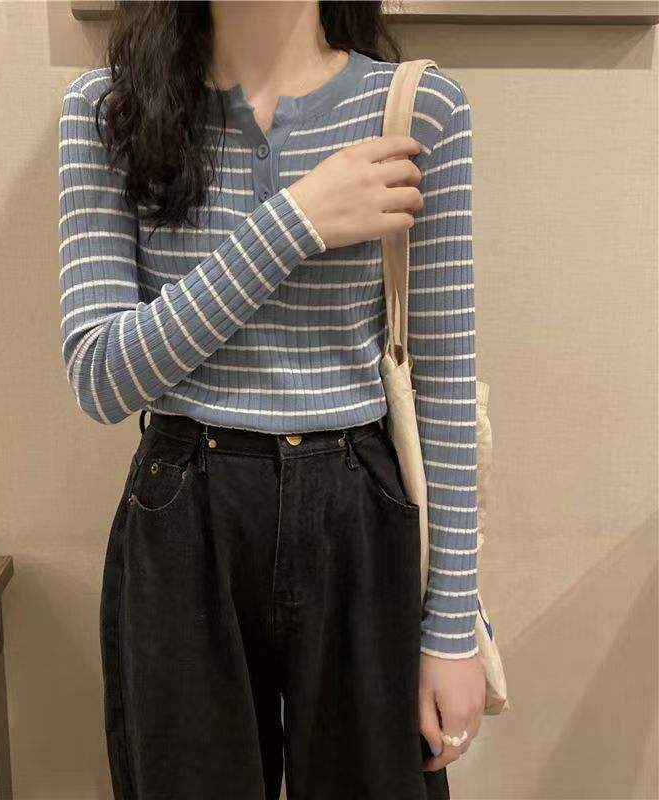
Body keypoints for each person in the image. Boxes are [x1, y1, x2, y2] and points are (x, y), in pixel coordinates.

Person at [58, 1, 485, 797]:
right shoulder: (106, 109)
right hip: (185, 512)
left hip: (360, 513)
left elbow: (445, 387)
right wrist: (295, 221)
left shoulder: (417, 107)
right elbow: (102, 376)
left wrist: (453, 624)